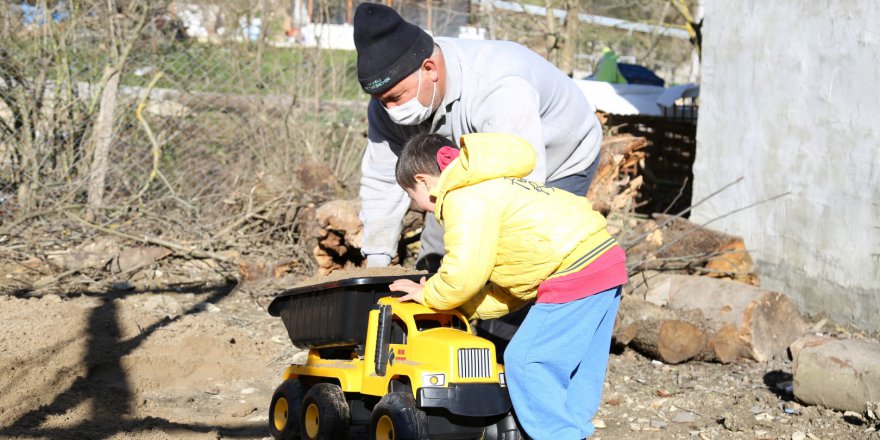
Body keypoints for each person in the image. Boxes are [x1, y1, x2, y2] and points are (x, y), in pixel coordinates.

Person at [388, 132, 626, 439]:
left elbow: (464, 273)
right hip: (604, 260)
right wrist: (462, 306)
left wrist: (430, 294)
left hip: (572, 271)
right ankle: (572, 429)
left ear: (423, 181)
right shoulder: (494, 186)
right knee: (580, 363)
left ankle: (558, 435)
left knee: (526, 361)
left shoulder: (464, 197)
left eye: (410, 196)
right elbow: (511, 287)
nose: (416, 206)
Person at [352, 2, 603, 271]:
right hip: (464, 165)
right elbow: (381, 178)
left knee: (525, 261)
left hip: (557, 157)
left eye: (396, 97)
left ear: (430, 69)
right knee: (436, 261)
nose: (390, 109)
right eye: (380, 100)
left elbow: (520, 184)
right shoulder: (386, 105)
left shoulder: (498, 86)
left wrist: (474, 270)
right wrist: (378, 261)